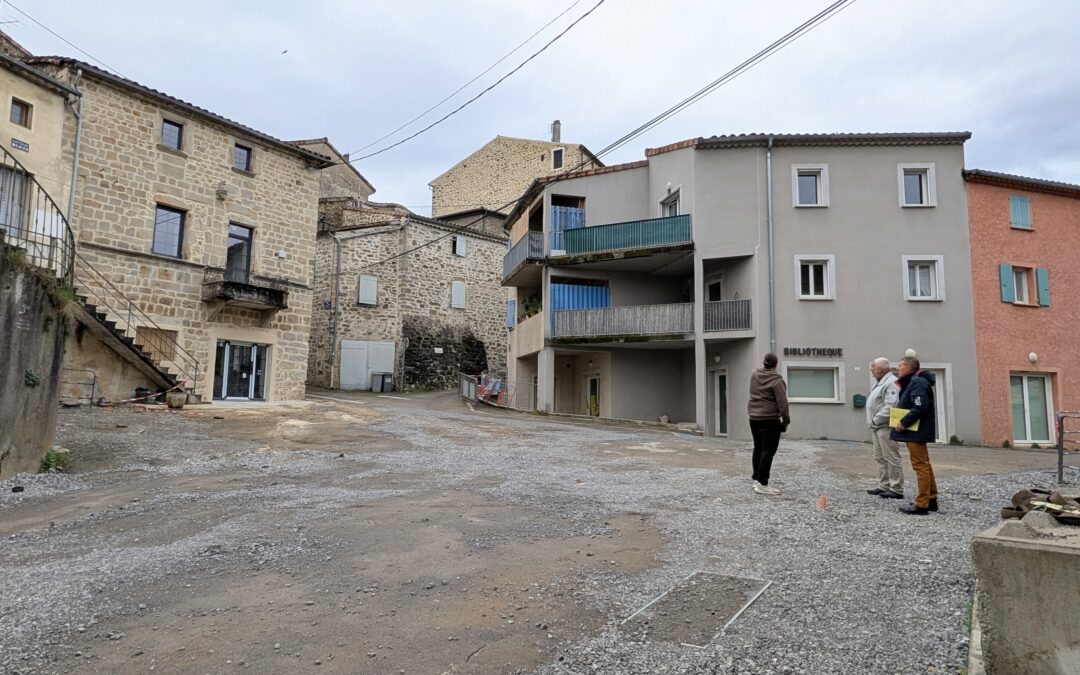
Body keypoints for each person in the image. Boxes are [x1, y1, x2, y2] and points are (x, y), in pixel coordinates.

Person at [890, 356, 939, 515]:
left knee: (920, 465)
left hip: (916, 430)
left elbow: (920, 406)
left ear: (909, 367)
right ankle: (931, 499)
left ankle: (922, 504)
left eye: (901, 366)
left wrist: (904, 422)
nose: (898, 368)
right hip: (917, 430)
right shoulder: (916, 381)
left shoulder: (917, 382)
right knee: (925, 464)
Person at [747, 352, 790, 496]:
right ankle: (763, 483)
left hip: (754, 417)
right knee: (768, 451)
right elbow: (783, 404)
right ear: (775, 365)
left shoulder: (754, 375)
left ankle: (756, 479)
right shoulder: (777, 380)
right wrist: (785, 422)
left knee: (758, 448)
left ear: (764, 362)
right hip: (770, 419)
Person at [865, 357, 904, 499]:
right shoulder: (881, 382)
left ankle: (896, 488)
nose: (871, 371)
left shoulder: (891, 383)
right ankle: (884, 485)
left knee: (891, 457)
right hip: (877, 427)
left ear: (879, 369)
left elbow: (891, 406)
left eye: (872, 368)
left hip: (885, 426)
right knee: (880, 457)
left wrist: (876, 420)